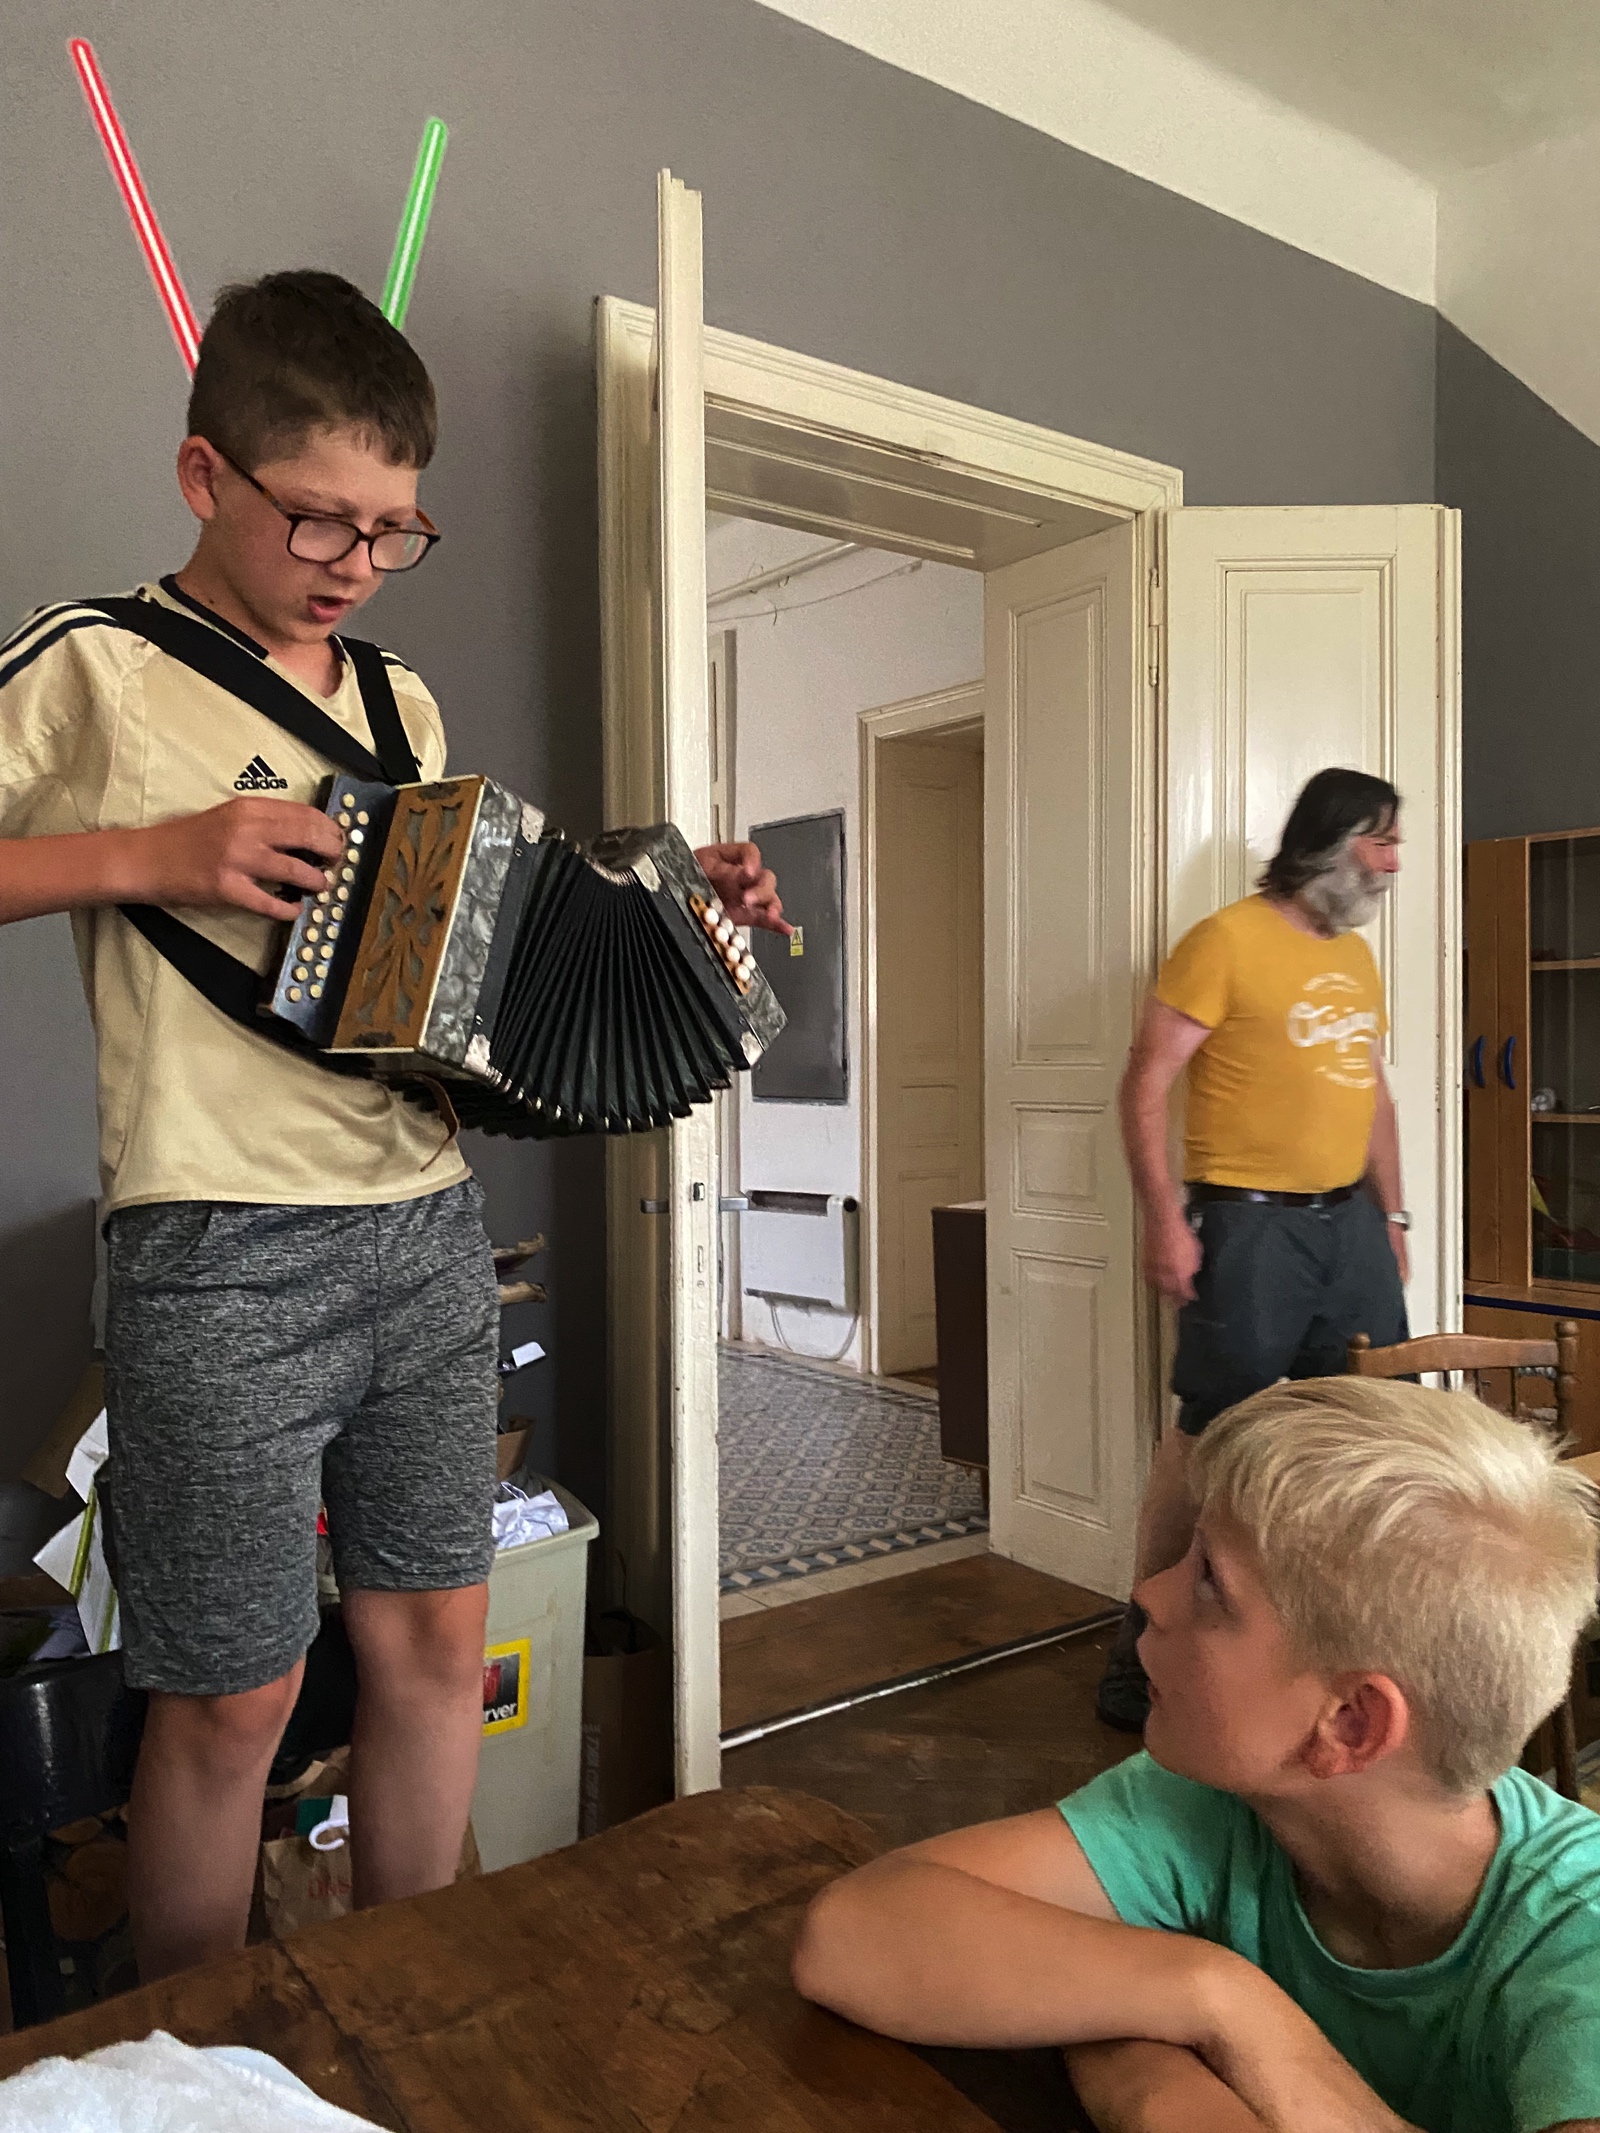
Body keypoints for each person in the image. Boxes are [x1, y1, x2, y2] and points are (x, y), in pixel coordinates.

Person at [0, 270, 785, 1980]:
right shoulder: (96, 667)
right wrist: (152, 855)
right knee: (232, 1696)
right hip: (215, 1245)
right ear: (204, 473)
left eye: (393, 527)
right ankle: (201, 2067)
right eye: (318, 517)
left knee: (435, 1645)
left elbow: (462, 958)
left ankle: (406, 2015)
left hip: (426, 1230)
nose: (354, 559)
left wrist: (677, 910)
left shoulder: (397, 701)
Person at [793, 1376, 1600, 2132]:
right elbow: (853, 1933)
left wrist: (1130, 2047)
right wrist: (1219, 2002)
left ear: (1350, 1723)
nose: (1148, 1592)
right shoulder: (1218, 1800)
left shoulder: (1579, 1939)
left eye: (1210, 1580)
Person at [1097, 767, 1410, 1732]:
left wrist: (1393, 1218)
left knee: (1364, 1427)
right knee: (1209, 1434)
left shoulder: (1355, 958)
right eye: (1381, 840)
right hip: (1247, 1226)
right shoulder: (1224, 941)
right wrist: (1163, 1219)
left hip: (1349, 1225)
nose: (1393, 862)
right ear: (1328, 843)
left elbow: (1374, 1094)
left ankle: (1323, 1635)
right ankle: (1140, 1648)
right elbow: (1146, 1085)